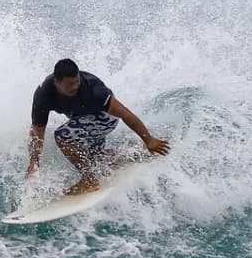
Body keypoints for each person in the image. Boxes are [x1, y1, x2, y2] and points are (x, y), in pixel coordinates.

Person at [25, 58, 170, 195]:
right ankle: (136, 154)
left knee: (62, 136)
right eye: (70, 84)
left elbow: (125, 114)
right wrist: (34, 162)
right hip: (82, 120)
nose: (76, 86)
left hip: (105, 118)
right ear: (57, 82)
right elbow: (38, 129)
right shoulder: (43, 95)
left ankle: (89, 181)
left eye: (77, 81)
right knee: (96, 160)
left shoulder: (93, 90)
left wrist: (148, 139)